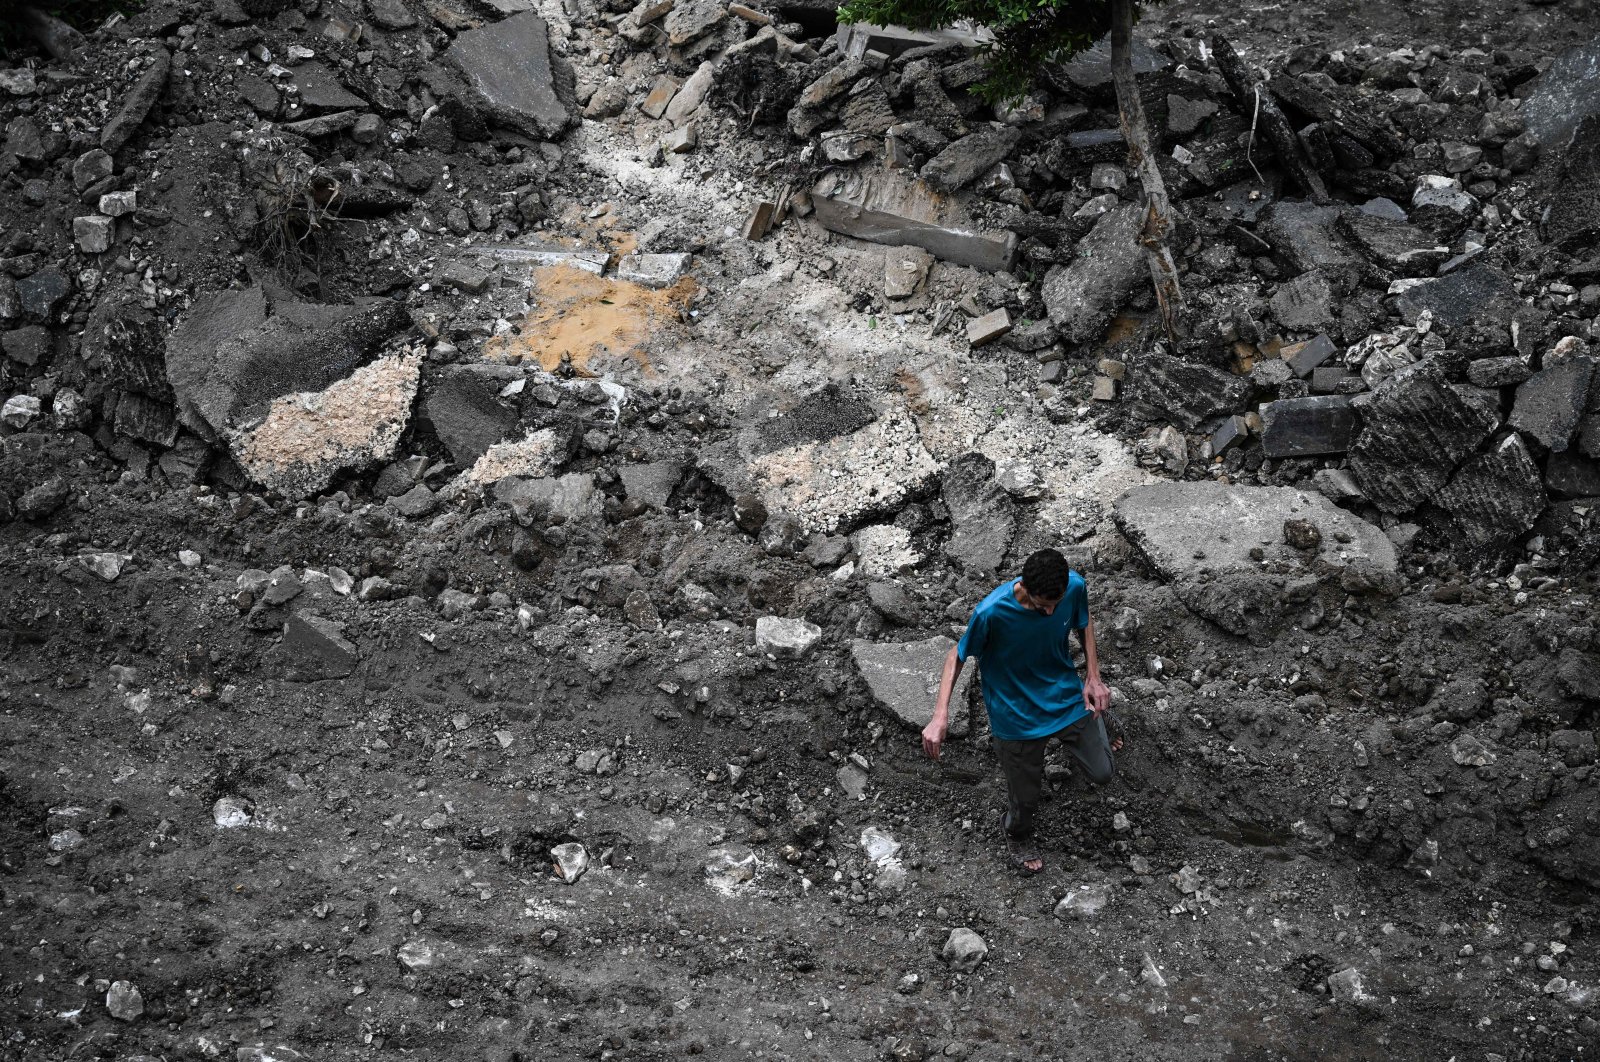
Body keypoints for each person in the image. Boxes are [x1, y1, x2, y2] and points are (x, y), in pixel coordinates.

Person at [922, 548, 1123, 874]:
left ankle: (1101, 720)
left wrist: (1094, 677)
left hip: (1063, 695)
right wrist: (940, 715)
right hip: (1015, 715)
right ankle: (1016, 833)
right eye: (1043, 606)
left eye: (1056, 605)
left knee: (1103, 772)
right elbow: (955, 657)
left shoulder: (1073, 586)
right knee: (1026, 798)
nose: (1050, 613)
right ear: (1025, 588)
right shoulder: (991, 613)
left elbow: (1083, 622)